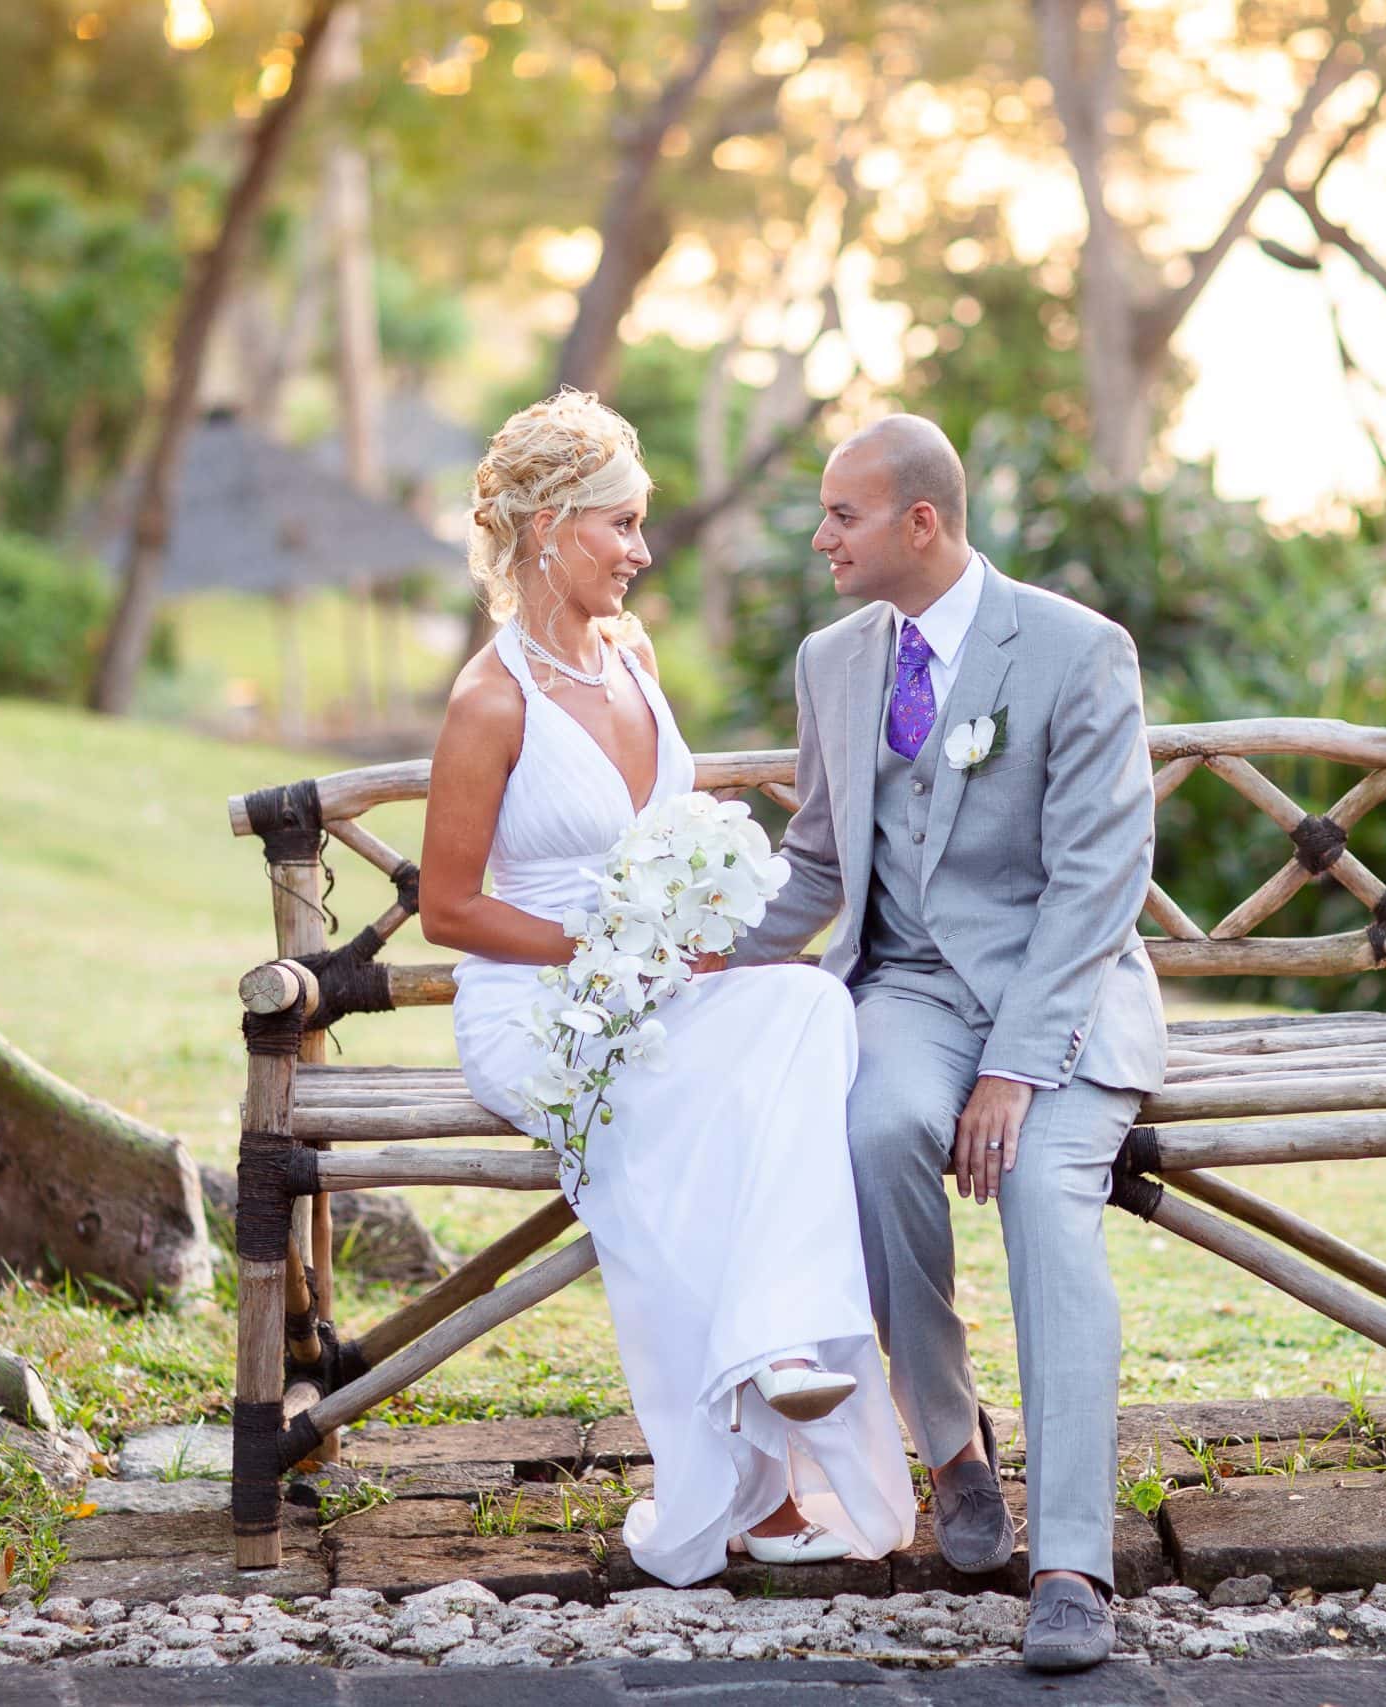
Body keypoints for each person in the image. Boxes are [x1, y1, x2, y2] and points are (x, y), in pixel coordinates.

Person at [425, 390, 913, 1589]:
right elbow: (449, 911)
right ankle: (750, 1459)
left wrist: (692, 912)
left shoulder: (631, 656)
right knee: (691, 1112)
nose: (642, 553)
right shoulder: (490, 700)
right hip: (544, 1012)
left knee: (804, 1005)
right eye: (622, 527)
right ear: (547, 528)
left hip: (656, 988)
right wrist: (611, 957)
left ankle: (775, 1347)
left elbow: (666, 835)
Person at [733, 414, 1166, 1673]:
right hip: (912, 987)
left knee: (1042, 1197)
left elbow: (1099, 880)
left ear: (920, 522)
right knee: (871, 1133)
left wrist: (1016, 1069)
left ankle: (1073, 1562)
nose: (820, 539)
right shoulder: (831, 660)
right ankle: (955, 1447)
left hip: (1061, 997)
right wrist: (713, 960)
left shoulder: (1079, 650)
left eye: (841, 516)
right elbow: (819, 856)